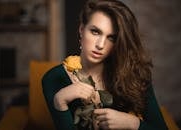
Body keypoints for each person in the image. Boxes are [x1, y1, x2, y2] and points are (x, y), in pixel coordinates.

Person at [42, 0, 168, 130]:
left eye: (111, 38)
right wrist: (60, 102)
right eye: (95, 32)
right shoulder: (54, 78)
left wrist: (132, 123)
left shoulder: (135, 74)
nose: (100, 45)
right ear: (81, 30)